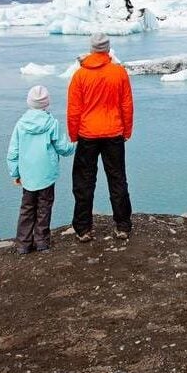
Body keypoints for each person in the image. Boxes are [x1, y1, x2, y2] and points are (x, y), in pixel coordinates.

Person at [67, 33, 134, 242]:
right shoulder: (119, 72)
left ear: (92, 49)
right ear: (107, 49)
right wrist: (127, 131)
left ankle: (83, 229)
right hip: (114, 132)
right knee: (117, 179)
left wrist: (73, 134)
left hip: (87, 134)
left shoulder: (80, 76)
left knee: (84, 181)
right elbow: (127, 105)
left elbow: (73, 109)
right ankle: (122, 226)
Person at [7, 85, 74, 254]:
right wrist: (75, 144)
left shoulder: (20, 124)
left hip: (28, 176)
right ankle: (42, 242)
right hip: (46, 174)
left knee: (27, 208)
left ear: (29, 102)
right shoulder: (52, 123)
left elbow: (13, 151)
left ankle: (23, 244)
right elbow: (62, 148)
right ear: (46, 104)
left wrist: (15, 173)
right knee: (44, 207)